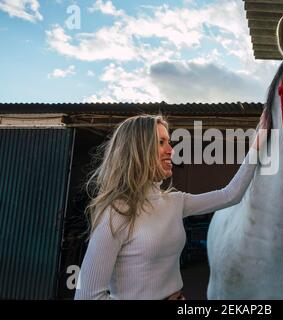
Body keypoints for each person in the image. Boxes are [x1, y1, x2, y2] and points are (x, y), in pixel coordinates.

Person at [74, 113, 267, 300]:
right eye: (161, 142)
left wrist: (256, 146)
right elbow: (86, 296)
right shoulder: (116, 213)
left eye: (169, 141)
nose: (171, 150)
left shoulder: (175, 202)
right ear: (138, 150)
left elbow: (230, 195)